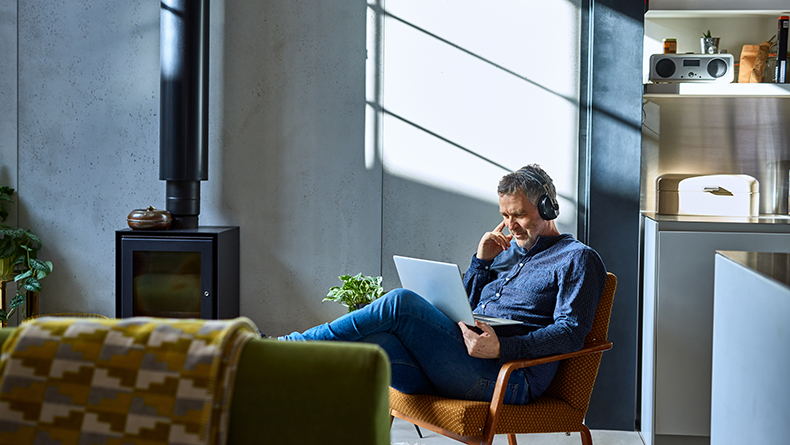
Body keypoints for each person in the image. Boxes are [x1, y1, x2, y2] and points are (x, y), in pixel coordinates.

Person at [280, 165, 607, 405]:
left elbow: (571, 332)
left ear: (548, 207)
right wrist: (481, 262)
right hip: (459, 362)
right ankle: (288, 381)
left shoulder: (576, 258)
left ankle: (287, 348)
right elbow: (460, 306)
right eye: (504, 216)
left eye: (519, 215)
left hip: (508, 378)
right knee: (377, 341)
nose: (510, 225)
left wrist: (502, 348)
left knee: (400, 303)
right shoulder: (504, 252)